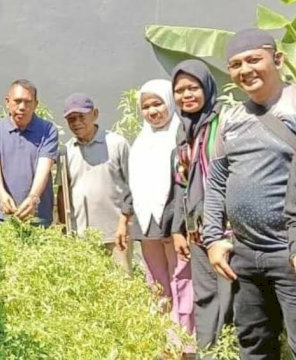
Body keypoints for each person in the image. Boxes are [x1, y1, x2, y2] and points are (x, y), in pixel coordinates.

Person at [204, 29, 296, 358]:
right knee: (254, 346)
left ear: (278, 59)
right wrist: (213, 238)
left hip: (290, 254)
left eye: (254, 59)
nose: (245, 70)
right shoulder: (231, 119)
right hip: (246, 256)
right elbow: (216, 180)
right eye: (236, 64)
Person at [125, 79, 194, 354]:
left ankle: (186, 342)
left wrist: (179, 224)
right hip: (147, 223)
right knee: (156, 284)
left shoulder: (181, 135)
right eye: (146, 106)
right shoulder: (140, 142)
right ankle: (165, 341)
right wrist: (125, 218)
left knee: (183, 280)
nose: (152, 111)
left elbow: (185, 183)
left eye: (158, 103)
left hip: (175, 222)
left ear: (169, 102)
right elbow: (132, 184)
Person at [169, 59, 233, 357]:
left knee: (231, 298)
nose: (186, 95)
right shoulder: (183, 131)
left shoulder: (225, 121)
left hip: (226, 231)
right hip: (197, 235)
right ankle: (210, 353)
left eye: (193, 87)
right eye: (179, 90)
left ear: (207, 87)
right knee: (205, 299)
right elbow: (180, 183)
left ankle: (231, 351)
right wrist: (178, 229)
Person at [57, 93, 133, 273]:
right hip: (82, 238)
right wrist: (64, 231)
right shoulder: (66, 151)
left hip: (116, 236)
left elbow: (133, 187)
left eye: (81, 117)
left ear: (95, 114)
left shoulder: (116, 144)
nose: (76, 123)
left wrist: (125, 223)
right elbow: (62, 192)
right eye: (71, 119)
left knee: (123, 289)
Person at [0, 79, 58, 225]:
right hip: (3, 215)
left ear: (36, 104)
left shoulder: (48, 130)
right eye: (17, 101)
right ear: (7, 102)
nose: (22, 107)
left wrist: (33, 198)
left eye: (28, 102)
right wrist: (2, 194)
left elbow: (45, 166)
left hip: (38, 215)